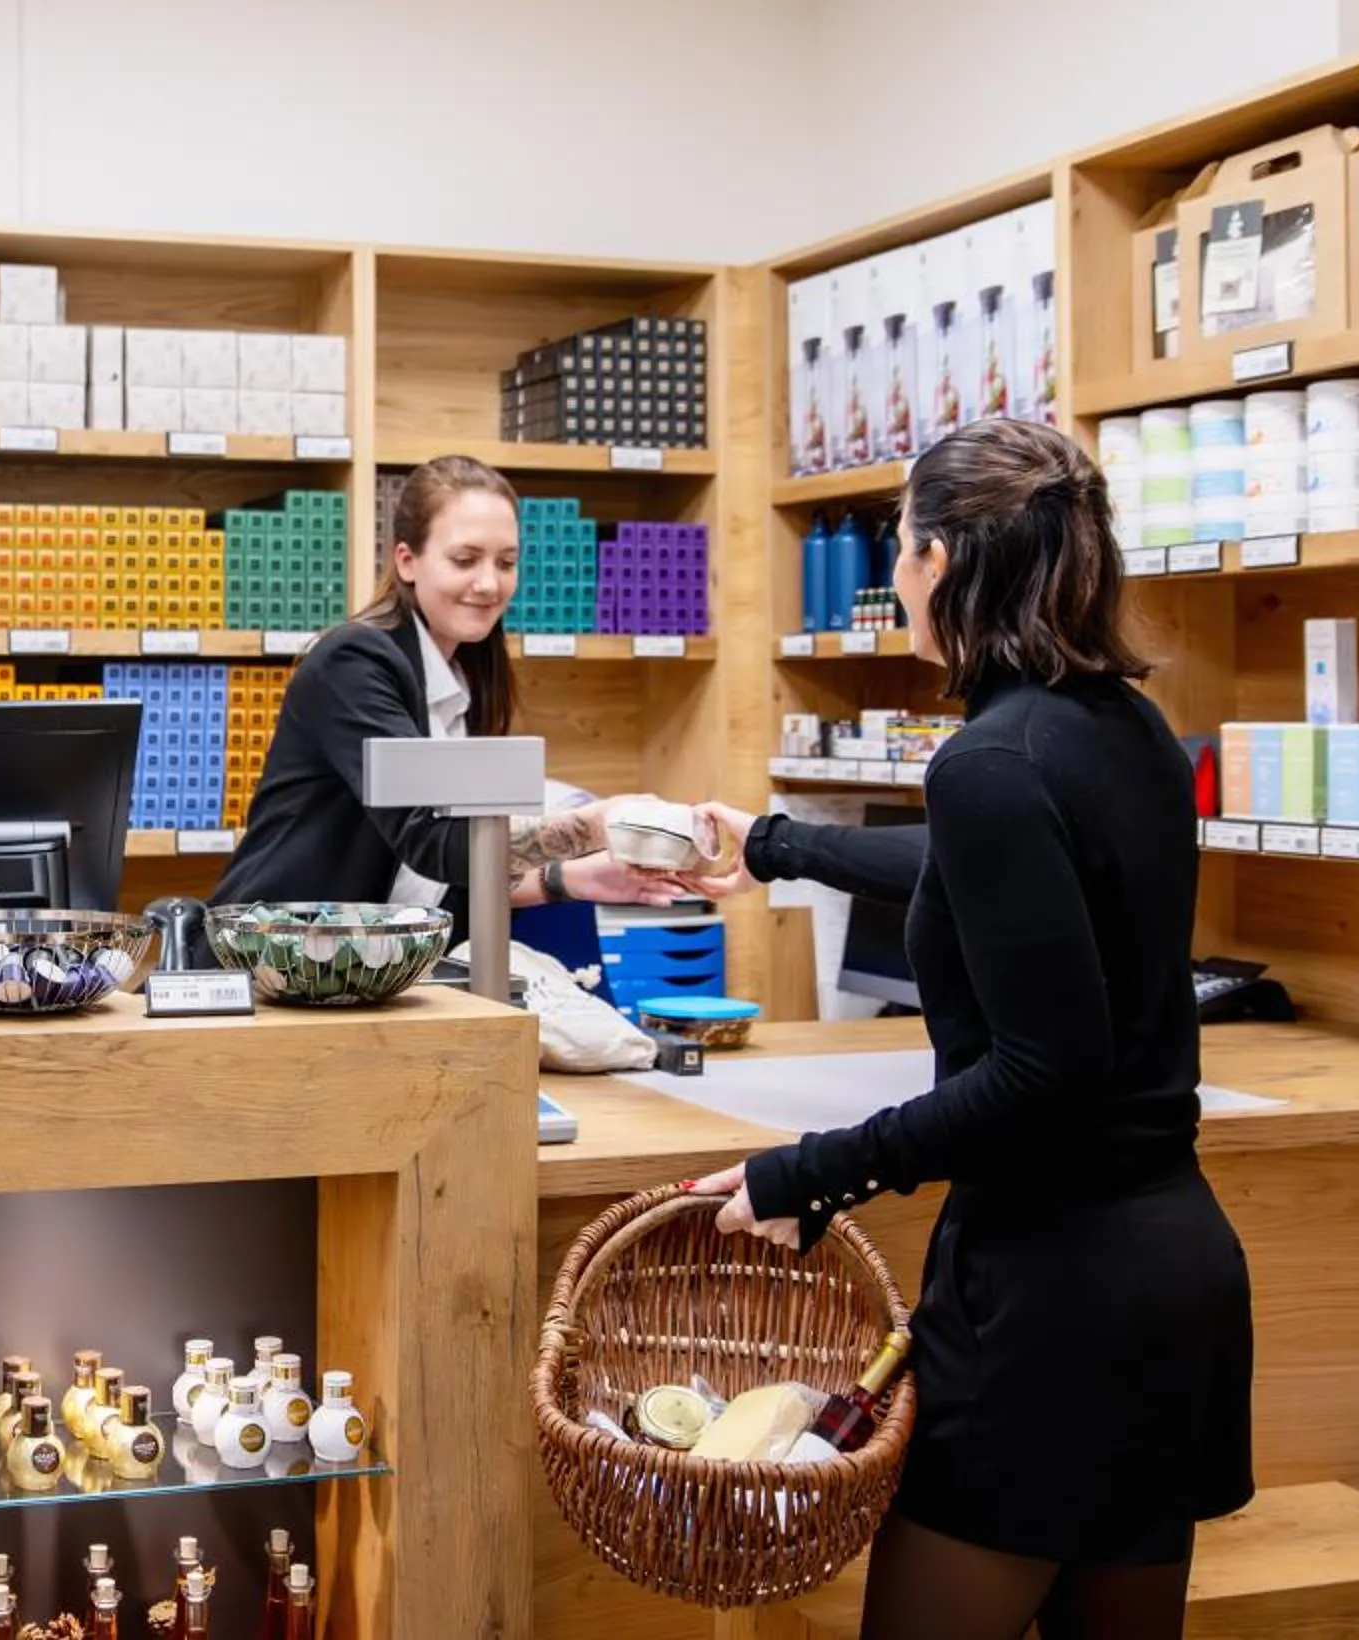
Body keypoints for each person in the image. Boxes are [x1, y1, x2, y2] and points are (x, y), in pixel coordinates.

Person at [676, 419, 1253, 1640]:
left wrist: (810, 1172)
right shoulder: (1126, 729)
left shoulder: (989, 761)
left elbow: (1046, 1071)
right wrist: (775, 844)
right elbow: (989, 867)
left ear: (943, 561)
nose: (892, 577)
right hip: (1170, 1281)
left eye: (898, 548)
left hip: (1048, 1304)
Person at [211, 454, 682, 927]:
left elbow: (451, 874)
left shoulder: (466, 678)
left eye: (506, 563)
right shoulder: (353, 662)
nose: (488, 583)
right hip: (278, 959)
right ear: (407, 561)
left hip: (377, 965)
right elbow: (429, 841)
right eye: (465, 560)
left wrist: (569, 879)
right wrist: (595, 824)